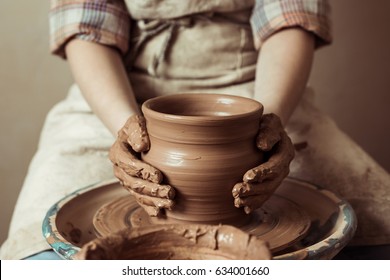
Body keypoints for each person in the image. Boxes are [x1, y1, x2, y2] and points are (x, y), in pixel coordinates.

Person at [1, 0, 389, 260]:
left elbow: (289, 16)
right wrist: (126, 128)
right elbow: (87, 26)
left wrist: (267, 124)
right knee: (40, 255)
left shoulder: (266, 110)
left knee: (376, 231)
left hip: (259, 91)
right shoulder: (118, 111)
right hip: (116, 96)